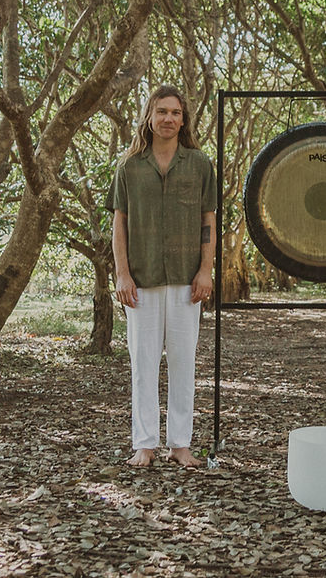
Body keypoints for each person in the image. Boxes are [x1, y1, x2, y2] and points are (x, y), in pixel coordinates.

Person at [109, 85, 217, 468]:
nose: (168, 119)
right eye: (161, 112)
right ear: (150, 117)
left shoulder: (200, 164)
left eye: (175, 112)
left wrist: (206, 271)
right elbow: (119, 225)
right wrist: (122, 275)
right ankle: (145, 443)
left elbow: (209, 221)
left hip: (188, 282)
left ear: (183, 119)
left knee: (184, 364)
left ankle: (181, 444)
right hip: (142, 280)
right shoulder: (129, 166)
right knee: (143, 364)